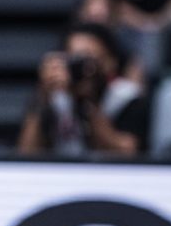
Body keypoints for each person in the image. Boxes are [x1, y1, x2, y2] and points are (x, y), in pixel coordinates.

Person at [18, 22, 149, 157]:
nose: (81, 68)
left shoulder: (127, 97)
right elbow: (26, 153)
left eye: (87, 59)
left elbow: (128, 153)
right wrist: (42, 97)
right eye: (74, 59)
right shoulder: (55, 98)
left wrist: (88, 103)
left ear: (110, 62)